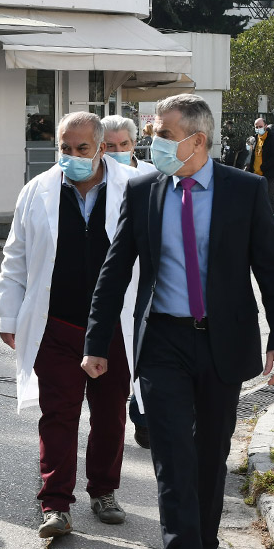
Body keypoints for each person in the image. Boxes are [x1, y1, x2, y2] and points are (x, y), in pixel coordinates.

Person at [81, 93, 274, 549]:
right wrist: (96, 341)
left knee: (208, 457)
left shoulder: (244, 190)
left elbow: (272, 271)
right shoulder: (144, 190)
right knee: (172, 461)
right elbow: (115, 269)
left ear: (197, 140)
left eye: (164, 134)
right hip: (163, 343)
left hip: (222, 341)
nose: (154, 143)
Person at [0, 112, 134, 541]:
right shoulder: (37, 191)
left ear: (102, 149)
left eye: (82, 148)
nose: (72, 156)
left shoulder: (134, 187)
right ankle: (55, 503)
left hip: (114, 327)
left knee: (110, 413)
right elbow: (16, 256)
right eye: (65, 148)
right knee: (58, 414)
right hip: (56, 324)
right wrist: (8, 313)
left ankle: (104, 490)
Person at [101, 114, 154, 449]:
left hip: (145, 278)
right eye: (110, 146)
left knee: (143, 348)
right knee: (116, 351)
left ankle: (143, 416)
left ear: (134, 144)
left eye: (124, 144)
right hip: (111, 279)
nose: (118, 151)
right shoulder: (94, 179)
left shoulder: (152, 174)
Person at [241, 118, 274, 194]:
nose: (258, 129)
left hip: (268, 174)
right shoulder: (254, 139)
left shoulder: (273, 140)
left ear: (265, 126)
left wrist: (263, 167)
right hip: (255, 173)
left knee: (269, 196)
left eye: (260, 126)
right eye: (256, 127)